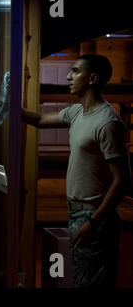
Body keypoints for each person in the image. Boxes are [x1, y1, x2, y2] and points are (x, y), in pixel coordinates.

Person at [22, 54, 129, 287]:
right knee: (83, 279)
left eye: (75, 71)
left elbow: (122, 180)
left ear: (92, 78)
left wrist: (94, 221)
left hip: (94, 214)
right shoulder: (77, 112)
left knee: (90, 283)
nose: (69, 77)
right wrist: (9, 105)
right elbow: (40, 119)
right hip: (79, 212)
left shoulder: (107, 123)